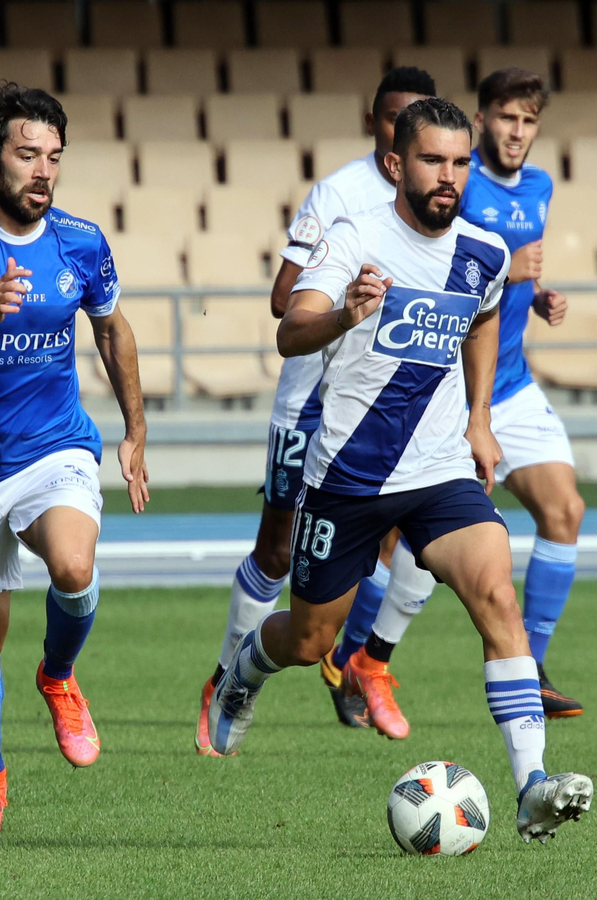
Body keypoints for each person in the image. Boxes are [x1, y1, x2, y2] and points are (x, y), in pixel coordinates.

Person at [207, 98, 593, 843]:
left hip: (441, 469)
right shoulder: (357, 237)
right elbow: (291, 330)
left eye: (457, 163)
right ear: (395, 165)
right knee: (312, 641)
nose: (448, 177)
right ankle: (243, 673)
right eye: (431, 161)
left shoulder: (482, 249)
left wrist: (480, 418)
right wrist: (344, 316)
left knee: (494, 595)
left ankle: (531, 786)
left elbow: (483, 318)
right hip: (347, 476)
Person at [0, 85, 150, 832]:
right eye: (26, 155)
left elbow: (113, 332)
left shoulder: (80, 241)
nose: (44, 171)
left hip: (56, 448)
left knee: (74, 565)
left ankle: (59, 675)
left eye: (53, 156)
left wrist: (135, 430)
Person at [196, 67, 439, 753]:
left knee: (401, 535)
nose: (405, 131)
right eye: (395, 118)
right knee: (277, 548)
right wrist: (351, 297)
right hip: (311, 401)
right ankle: (224, 678)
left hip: (388, 402)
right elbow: (284, 297)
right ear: (376, 123)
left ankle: (353, 660)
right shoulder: (341, 193)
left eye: (419, 118)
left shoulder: (441, 201)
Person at [339, 69, 587, 725]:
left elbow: (502, 281)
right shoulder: (452, 180)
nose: (517, 131)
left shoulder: (540, 187)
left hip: (511, 381)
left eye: (529, 120)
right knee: (400, 544)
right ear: (481, 121)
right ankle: (356, 658)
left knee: (563, 511)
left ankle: (528, 666)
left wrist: (538, 294)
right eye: (506, 117)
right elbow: (449, 261)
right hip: (444, 386)